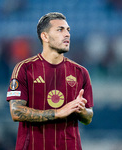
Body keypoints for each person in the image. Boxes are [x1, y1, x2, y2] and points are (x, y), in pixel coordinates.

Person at [6, 12, 93, 150]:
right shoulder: (24, 68)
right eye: (60, 30)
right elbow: (15, 111)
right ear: (45, 36)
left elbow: (88, 117)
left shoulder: (81, 72)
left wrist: (81, 111)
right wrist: (57, 113)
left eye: (68, 30)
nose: (67, 34)